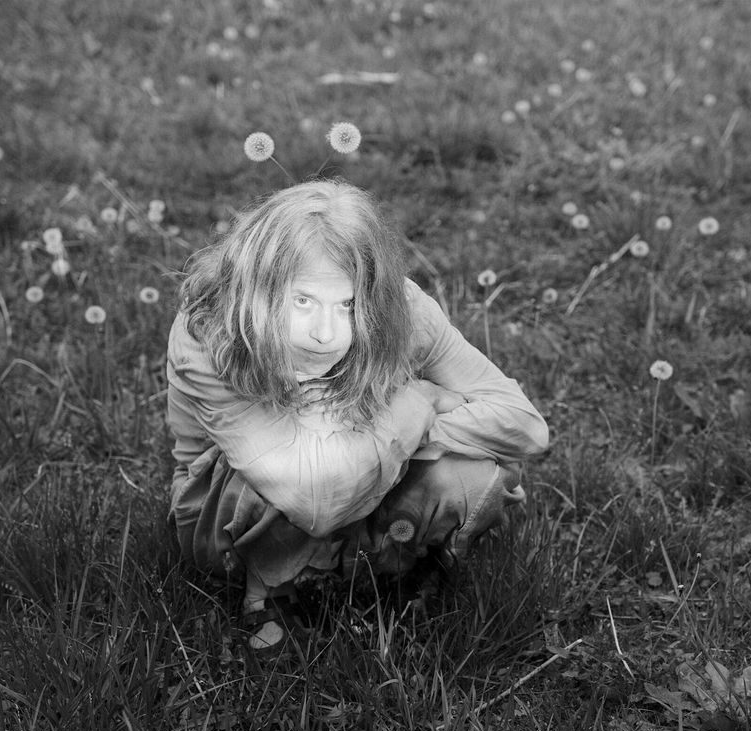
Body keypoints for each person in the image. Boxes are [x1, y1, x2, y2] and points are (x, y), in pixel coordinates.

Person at [165, 179, 549, 652]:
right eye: (302, 300)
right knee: (284, 471)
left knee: (470, 471)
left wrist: (412, 433)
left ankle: (397, 574)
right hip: (232, 521)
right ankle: (273, 598)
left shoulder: (399, 309)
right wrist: (418, 402)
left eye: (347, 305)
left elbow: (524, 426)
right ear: (259, 288)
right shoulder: (210, 329)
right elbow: (314, 498)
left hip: (354, 487)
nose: (326, 333)